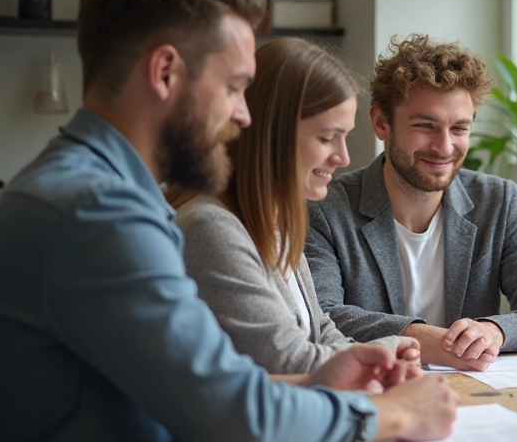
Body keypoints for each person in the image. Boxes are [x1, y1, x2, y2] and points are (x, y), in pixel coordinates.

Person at [0, 0, 457, 442]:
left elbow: (206, 388)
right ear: (166, 71)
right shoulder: (100, 214)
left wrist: (316, 382)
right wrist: (397, 412)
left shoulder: (88, 191)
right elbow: (235, 422)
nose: (244, 116)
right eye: (235, 87)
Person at [306, 34, 517, 371]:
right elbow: (320, 314)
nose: (444, 147)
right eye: (425, 126)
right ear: (381, 123)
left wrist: (495, 331)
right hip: (376, 391)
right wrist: (432, 342)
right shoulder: (325, 207)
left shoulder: (499, 201)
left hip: (475, 394)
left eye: (459, 128)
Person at [168, 38, 418, 375]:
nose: (343, 157)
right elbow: (287, 360)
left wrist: (380, 357)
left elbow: (318, 327)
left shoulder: (277, 219)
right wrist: (388, 352)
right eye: (327, 138)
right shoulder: (210, 227)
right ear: (273, 135)